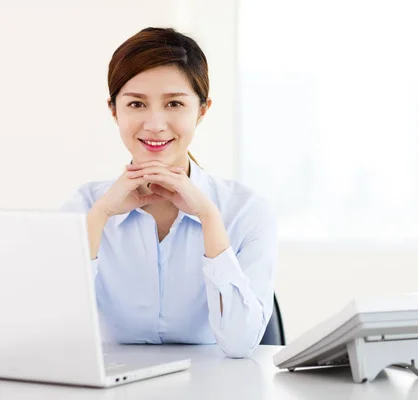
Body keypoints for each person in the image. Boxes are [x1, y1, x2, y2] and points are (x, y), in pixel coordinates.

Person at [61, 27, 277, 358]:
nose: (155, 124)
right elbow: (52, 332)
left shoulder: (246, 210)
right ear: (114, 110)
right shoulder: (86, 206)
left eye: (174, 103)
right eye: (136, 104)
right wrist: (100, 216)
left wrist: (209, 218)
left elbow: (240, 344)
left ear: (202, 110)